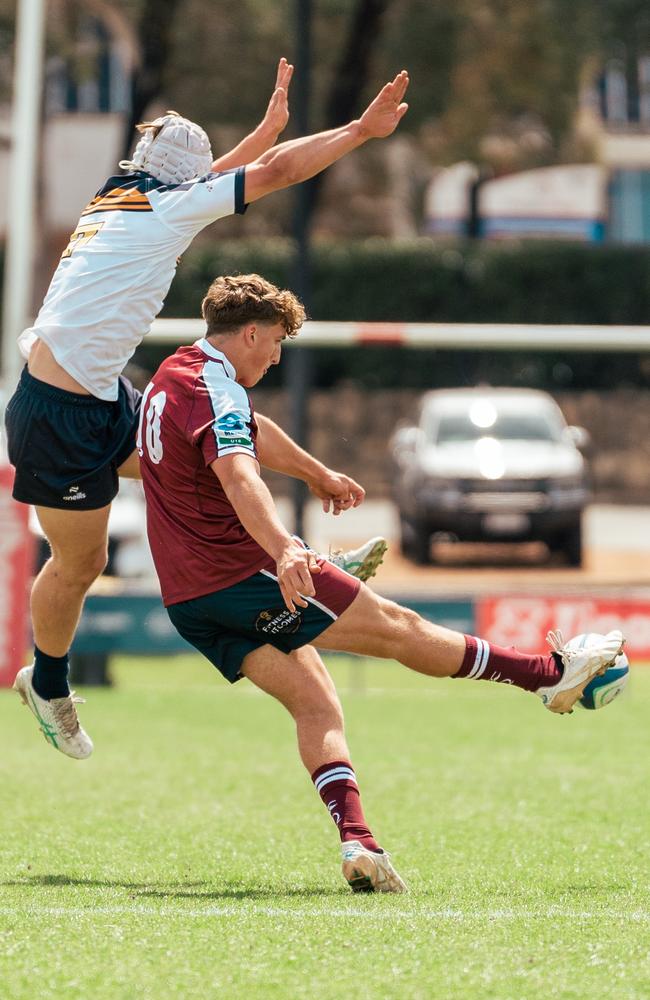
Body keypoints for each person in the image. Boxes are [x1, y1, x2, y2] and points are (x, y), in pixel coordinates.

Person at [132, 273, 625, 894]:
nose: (278, 355)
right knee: (401, 629)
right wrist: (285, 548)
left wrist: (317, 473)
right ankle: (549, 677)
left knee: (315, 703)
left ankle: (359, 844)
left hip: (189, 598)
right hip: (246, 574)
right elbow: (237, 472)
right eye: (276, 341)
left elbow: (250, 434)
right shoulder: (217, 387)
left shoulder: (175, 373)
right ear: (250, 332)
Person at [7, 64, 410, 757]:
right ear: (180, 179)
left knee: (211, 457)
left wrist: (260, 133)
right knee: (82, 561)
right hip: (58, 417)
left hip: (99, 397)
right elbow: (276, 175)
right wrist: (358, 131)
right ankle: (46, 683)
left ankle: (297, 563)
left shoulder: (121, 193)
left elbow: (213, 181)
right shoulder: (167, 206)